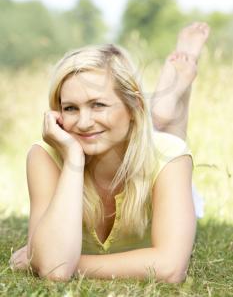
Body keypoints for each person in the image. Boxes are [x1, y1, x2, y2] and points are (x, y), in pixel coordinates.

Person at [9, 22, 210, 283]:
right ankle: (160, 109)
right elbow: (54, 270)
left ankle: (168, 99)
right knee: (155, 137)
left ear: (132, 105)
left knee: (167, 142)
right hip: (133, 131)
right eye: (70, 108)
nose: (82, 122)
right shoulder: (45, 156)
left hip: (152, 156)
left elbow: (170, 269)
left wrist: (66, 261)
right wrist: (72, 159)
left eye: (98, 105)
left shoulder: (171, 157)